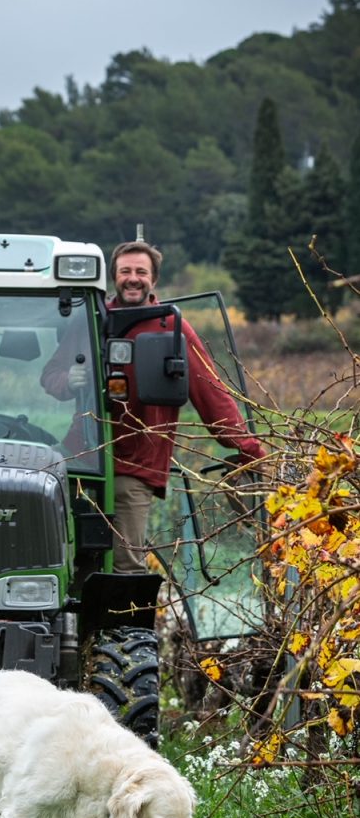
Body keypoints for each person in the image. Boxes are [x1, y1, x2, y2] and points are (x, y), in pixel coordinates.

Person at [41, 240, 266, 572]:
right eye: (125, 271)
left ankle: (124, 624)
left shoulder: (171, 328)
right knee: (63, 557)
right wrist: (68, 379)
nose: (133, 278)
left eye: (141, 272)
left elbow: (212, 395)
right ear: (113, 277)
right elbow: (50, 375)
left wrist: (250, 451)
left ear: (154, 280)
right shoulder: (90, 318)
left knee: (124, 565)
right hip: (82, 460)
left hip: (135, 466)